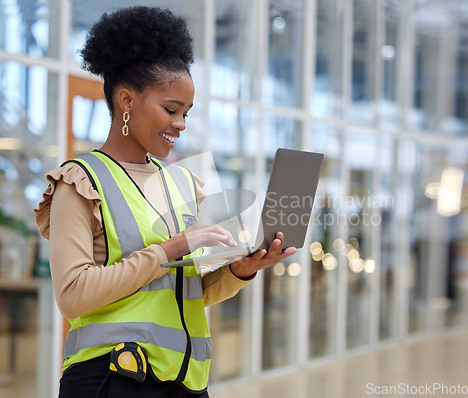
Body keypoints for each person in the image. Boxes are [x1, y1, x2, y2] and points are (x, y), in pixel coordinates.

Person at [34, 6, 296, 398]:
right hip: (112, 379)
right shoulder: (80, 181)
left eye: (187, 113)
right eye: (171, 109)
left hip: (186, 383)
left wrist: (239, 271)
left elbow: (190, 291)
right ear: (126, 99)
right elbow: (73, 296)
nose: (181, 124)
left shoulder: (185, 182)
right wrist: (170, 249)